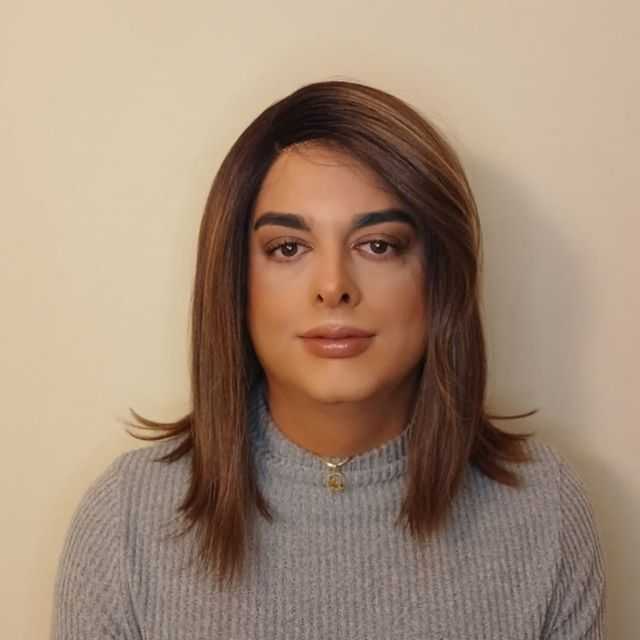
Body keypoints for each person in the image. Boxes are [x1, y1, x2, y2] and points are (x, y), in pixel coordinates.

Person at [51, 80, 607, 639]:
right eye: (288, 248)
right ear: (236, 280)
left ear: (441, 278)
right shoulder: (126, 523)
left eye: (378, 245)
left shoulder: (545, 512)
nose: (334, 286)